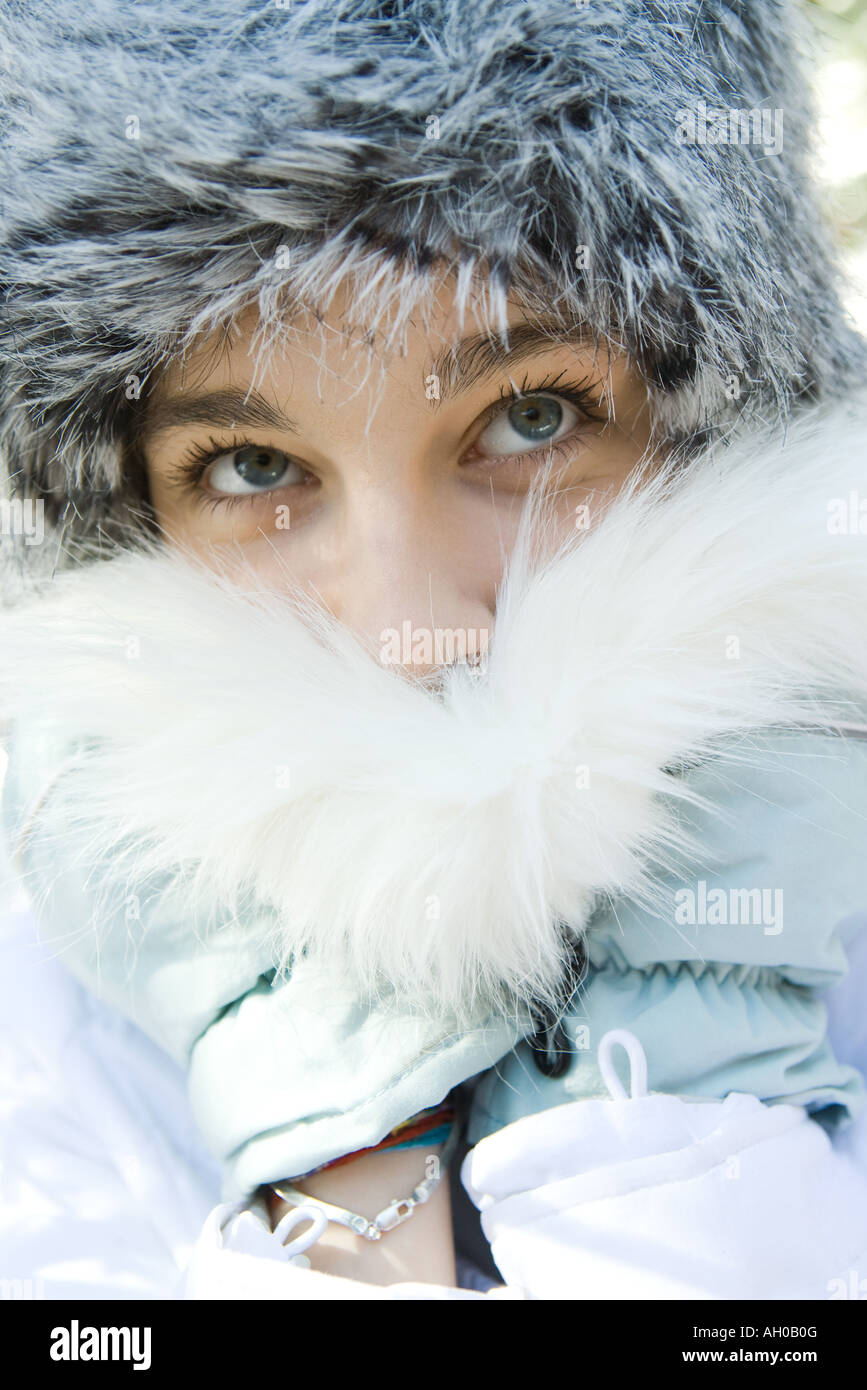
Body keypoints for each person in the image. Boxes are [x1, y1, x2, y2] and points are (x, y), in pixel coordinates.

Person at [2, 0, 867, 1299]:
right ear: (126, 517)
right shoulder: (51, 1023)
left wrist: (682, 1081)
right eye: (254, 464)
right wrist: (333, 1149)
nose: (419, 634)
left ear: (711, 418)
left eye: (528, 419)